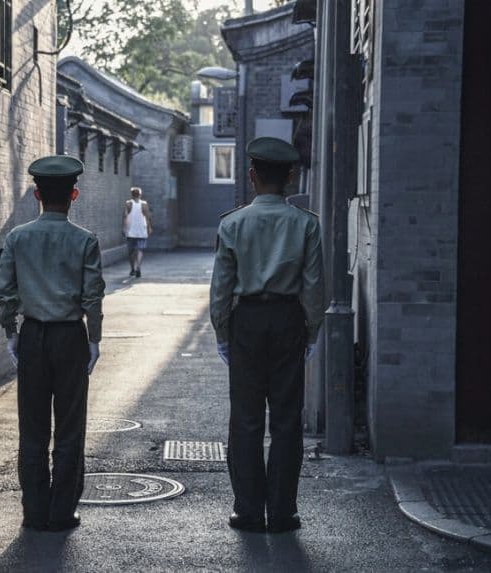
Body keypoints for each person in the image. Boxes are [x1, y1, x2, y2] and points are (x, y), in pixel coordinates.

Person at [209, 137, 324, 534]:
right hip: (289, 319)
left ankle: (247, 510)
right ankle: (282, 512)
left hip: (247, 323)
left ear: (252, 175)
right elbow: (312, 285)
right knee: (287, 420)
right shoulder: (307, 224)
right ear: (290, 177)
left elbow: (221, 288)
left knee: (245, 420)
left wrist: (222, 330)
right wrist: (312, 332)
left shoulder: (232, 223)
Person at [0, 155, 106, 532]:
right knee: (70, 428)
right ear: (73, 194)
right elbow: (93, 296)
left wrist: (11, 332)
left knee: (33, 427)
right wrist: (94, 339)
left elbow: (5, 291)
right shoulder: (85, 241)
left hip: (32, 336)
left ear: (36, 194)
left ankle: (33, 511)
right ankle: (62, 512)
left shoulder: (17, 237)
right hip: (69, 337)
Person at [123, 186, 153, 277]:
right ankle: (138, 267)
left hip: (131, 230)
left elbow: (125, 217)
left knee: (131, 251)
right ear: (140, 194)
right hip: (141, 229)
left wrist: (124, 228)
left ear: (132, 194)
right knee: (139, 249)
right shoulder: (144, 204)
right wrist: (149, 227)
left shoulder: (128, 204)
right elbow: (148, 217)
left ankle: (132, 269)